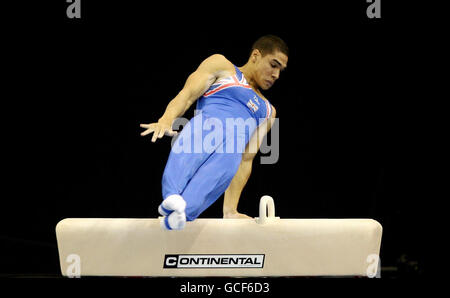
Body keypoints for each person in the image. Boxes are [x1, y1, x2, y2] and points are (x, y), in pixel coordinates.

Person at [140, 35, 288, 230]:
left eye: (281, 70)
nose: (276, 75)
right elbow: (186, 96)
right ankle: (172, 197)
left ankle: (182, 213)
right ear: (255, 55)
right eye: (273, 64)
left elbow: (246, 159)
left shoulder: (268, 111)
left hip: (230, 152)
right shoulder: (222, 66)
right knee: (200, 133)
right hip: (206, 129)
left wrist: (230, 211)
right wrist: (166, 119)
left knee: (229, 160)